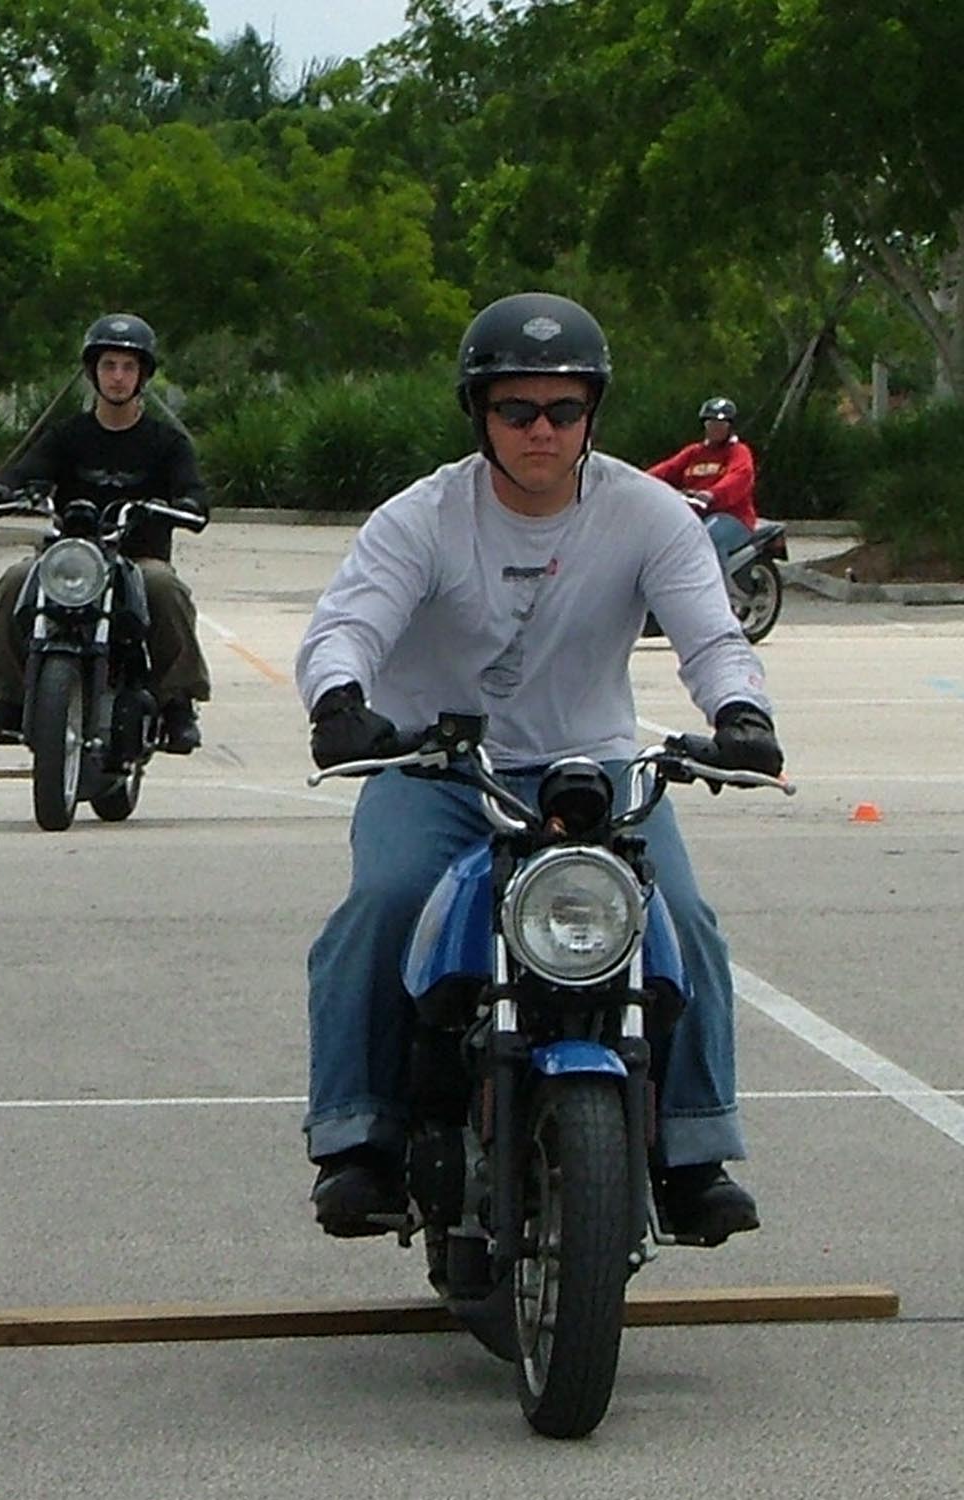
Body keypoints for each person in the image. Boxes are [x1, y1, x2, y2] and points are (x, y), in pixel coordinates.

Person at [294, 292, 783, 1245]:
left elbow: (712, 636)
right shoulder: (422, 517)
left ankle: (695, 1149)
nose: (542, 430)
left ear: (593, 412)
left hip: (598, 773)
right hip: (438, 770)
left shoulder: (649, 515)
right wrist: (340, 702)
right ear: (478, 413)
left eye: (564, 408)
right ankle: (359, 1138)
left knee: (685, 921)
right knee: (383, 904)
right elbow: (348, 623)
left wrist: (741, 714)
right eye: (517, 408)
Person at [0, 312, 211, 754]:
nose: (118, 377)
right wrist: (6, 489)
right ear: (92, 372)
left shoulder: (167, 442)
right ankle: (8, 696)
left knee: (165, 587)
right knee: (13, 582)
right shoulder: (67, 435)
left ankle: (178, 702)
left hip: (137, 560)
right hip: (71, 559)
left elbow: (191, 489)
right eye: (108, 365)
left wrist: (189, 503)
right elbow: (26, 471)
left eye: (128, 367)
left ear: (143, 375)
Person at [647, 396, 758, 566]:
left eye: (721, 424)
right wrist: (638, 481)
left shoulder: (738, 452)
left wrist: (712, 494)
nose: (715, 428)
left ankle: (715, 582)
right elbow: (666, 469)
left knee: (708, 540)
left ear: (730, 427)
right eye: (710, 423)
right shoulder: (694, 452)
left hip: (732, 517)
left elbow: (739, 476)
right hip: (695, 515)